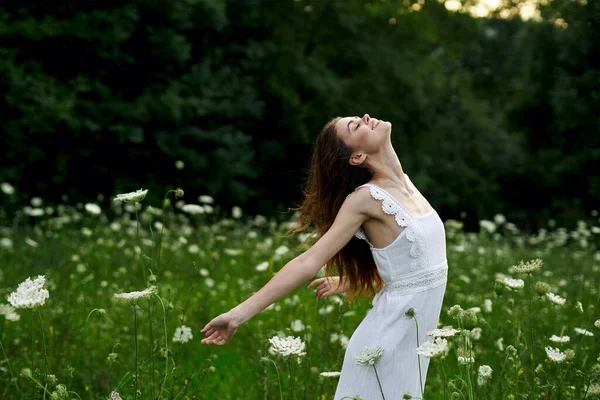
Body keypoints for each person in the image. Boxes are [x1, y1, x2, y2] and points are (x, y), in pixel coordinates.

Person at [200, 114, 448, 399]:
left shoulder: (406, 184)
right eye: (356, 126)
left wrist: (356, 279)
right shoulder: (365, 199)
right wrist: (237, 315)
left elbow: (421, 261)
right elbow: (308, 262)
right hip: (384, 344)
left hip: (414, 345)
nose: (366, 117)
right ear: (356, 156)